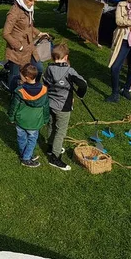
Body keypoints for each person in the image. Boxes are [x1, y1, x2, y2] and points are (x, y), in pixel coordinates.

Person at [43, 43, 87, 171]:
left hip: (50, 103)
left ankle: (50, 148)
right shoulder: (69, 71)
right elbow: (83, 84)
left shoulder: (49, 68)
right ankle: (55, 158)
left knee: (51, 125)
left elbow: (46, 83)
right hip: (63, 106)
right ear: (66, 57)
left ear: (52, 57)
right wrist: (80, 94)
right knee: (60, 132)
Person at [2, 0, 48, 91]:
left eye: (34, 1)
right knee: (15, 76)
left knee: (39, 69)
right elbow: (5, 33)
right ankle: (14, 97)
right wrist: (19, 46)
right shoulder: (14, 12)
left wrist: (39, 33)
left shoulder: (28, 9)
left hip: (29, 47)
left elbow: (28, 27)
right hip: (17, 51)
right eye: (30, 0)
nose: (32, 3)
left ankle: (32, 90)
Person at [8, 63, 50, 168]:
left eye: (21, 75)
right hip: (35, 121)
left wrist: (11, 117)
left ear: (26, 78)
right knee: (32, 139)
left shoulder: (20, 91)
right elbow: (46, 106)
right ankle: (26, 156)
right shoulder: (44, 90)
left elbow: (14, 106)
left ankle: (25, 156)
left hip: (21, 120)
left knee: (21, 138)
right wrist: (45, 119)